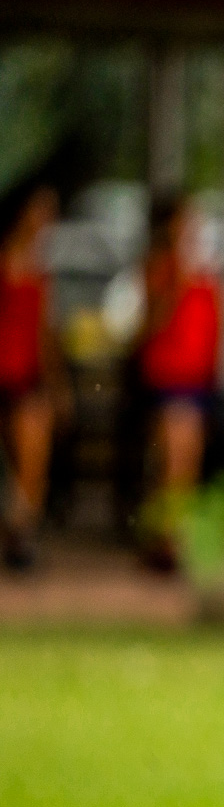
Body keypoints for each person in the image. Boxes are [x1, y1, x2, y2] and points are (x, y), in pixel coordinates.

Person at [138, 195, 221, 565]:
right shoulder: (159, 268)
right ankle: (166, 539)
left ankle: (176, 533)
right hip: (167, 375)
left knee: (189, 459)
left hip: (198, 377)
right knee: (172, 457)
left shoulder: (207, 271)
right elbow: (151, 323)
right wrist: (178, 280)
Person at [0, 182, 64, 570]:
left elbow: (44, 334)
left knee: (34, 445)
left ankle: (22, 531)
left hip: (26, 376)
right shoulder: (4, 260)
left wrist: (58, 384)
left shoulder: (41, 269)